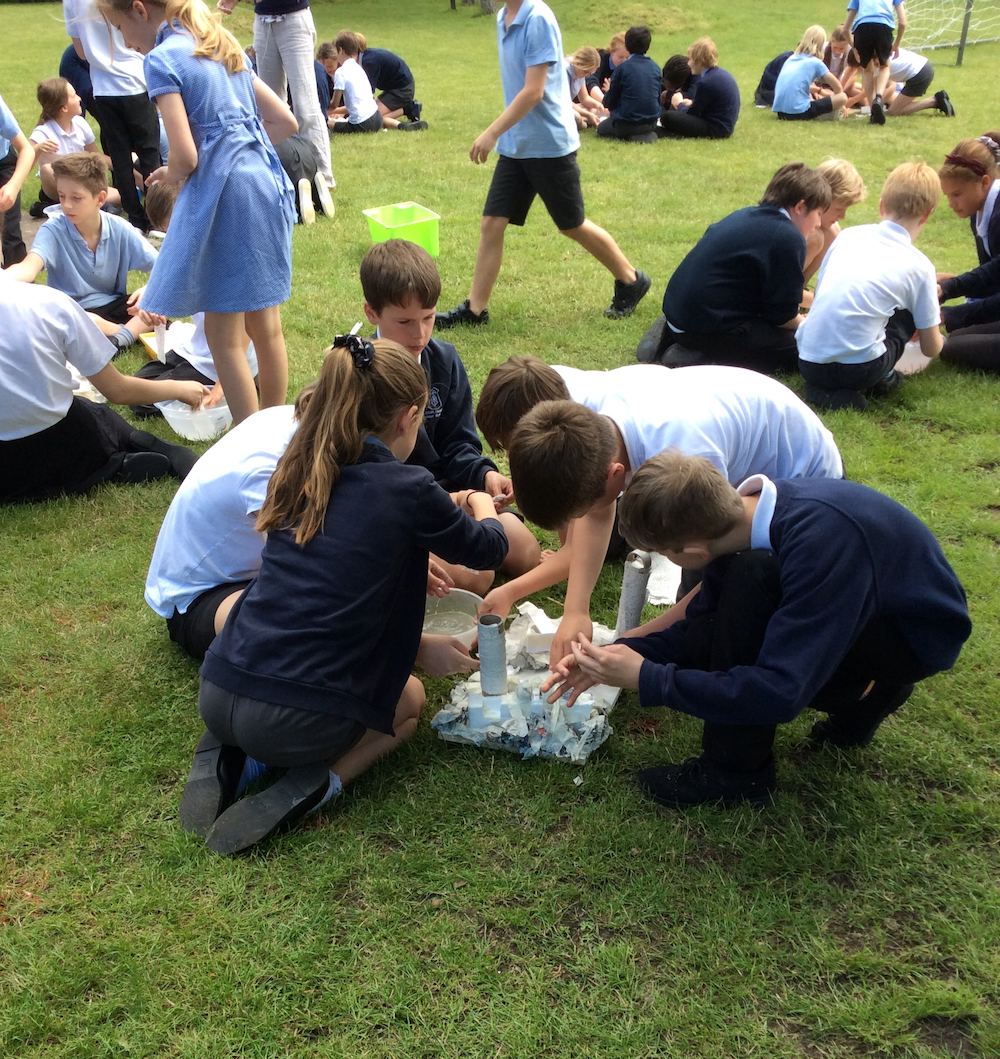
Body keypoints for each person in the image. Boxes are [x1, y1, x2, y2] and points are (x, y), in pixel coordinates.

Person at [180, 337, 509, 854]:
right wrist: (478, 498)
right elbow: (490, 548)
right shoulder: (410, 488)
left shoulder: (299, 466)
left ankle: (231, 751)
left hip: (218, 688)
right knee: (409, 702)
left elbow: (338, 562)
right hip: (295, 723)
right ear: (407, 417)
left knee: (276, 671)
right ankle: (312, 783)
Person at [541, 452, 971, 809]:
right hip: (865, 605)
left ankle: (736, 773)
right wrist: (611, 656)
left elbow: (780, 692)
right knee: (727, 614)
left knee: (751, 592)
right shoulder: (744, 518)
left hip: (911, 637)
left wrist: (648, 678)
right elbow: (699, 628)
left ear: (691, 552)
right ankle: (867, 693)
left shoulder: (820, 544)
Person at [498, 363, 844, 661]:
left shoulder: (687, 456)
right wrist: (576, 611)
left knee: (722, 619)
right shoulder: (595, 433)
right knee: (689, 623)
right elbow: (598, 511)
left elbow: (716, 571)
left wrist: (633, 642)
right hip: (738, 463)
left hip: (808, 490)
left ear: (616, 475)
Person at [100, 0, 299, 427]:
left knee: (223, 336)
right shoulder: (218, 41)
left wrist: (167, 174)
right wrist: (239, 143)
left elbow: (186, 158)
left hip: (228, 197)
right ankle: (277, 429)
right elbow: (284, 122)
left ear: (139, 10)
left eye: (118, 27)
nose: (123, 41)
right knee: (267, 326)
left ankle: (249, 443)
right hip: (265, 185)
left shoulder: (161, 59)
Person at [434, 0, 650, 328]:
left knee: (571, 224)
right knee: (492, 223)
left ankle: (631, 280)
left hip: (549, 145)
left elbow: (534, 91)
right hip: (518, 144)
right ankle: (475, 310)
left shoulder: (538, 19)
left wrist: (492, 133)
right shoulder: (503, 19)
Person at [360, 239, 541, 590]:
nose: (420, 333)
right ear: (372, 313)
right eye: (405, 321)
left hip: (453, 493)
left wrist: (485, 475)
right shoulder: (364, 373)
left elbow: (460, 442)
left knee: (526, 553)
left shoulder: (444, 361)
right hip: (399, 504)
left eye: (429, 318)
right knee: (478, 575)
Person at [0, 273, 206, 504]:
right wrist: (178, 389)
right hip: (63, 448)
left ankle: (117, 464)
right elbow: (118, 391)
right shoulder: (47, 302)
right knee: (95, 412)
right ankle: (122, 460)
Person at [639, 162, 831, 374]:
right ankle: (699, 356)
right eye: (819, 214)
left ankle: (676, 336)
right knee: (801, 348)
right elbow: (781, 316)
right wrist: (805, 324)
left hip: (681, 311)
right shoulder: (788, 237)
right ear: (800, 207)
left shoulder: (747, 214)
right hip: (706, 326)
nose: (817, 224)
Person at [796, 162, 942, 411]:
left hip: (809, 360)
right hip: (859, 369)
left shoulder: (847, 237)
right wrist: (933, 324)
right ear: (927, 214)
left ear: (882, 204)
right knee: (906, 315)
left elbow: (821, 295)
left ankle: (819, 389)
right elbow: (930, 348)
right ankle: (882, 379)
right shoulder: (920, 267)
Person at [5, 153, 159, 349]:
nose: (67, 205)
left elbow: (163, 266)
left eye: (76, 198)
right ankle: (124, 334)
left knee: (151, 307)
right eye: (61, 196)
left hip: (113, 305)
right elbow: (29, 267)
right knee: (54, 318)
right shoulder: (54, 230)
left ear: (100, 198)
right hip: (71, 310)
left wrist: (148, 290)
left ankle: (118, 337)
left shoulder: (119, 228)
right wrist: (4, 278)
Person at [217, 0, 335, 192]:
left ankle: (324, 177)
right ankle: (282, 172)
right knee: (270, 110)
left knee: (306, 107)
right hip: (263, 20)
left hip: (293, 18)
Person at [63, 0, 161, 231]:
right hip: (135, 80)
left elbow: (80, 52)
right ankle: (157, 214)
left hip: (103, 87)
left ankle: (134, 216)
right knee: (149, 154)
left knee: (119, 155)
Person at [936, 135, 1000, 372]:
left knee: (953, 348)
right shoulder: (980, 210)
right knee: (957, 338)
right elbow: (992, 275)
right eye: (948, 195)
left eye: (957, 194)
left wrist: (949, 312)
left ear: (984, 183)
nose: (951, 203)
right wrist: (946, 286)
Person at [29, 78, 121, 210]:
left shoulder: (80, 123)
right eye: (74, 96)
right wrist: (37, 149)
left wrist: (125, 163)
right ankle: (92, 205)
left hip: (83, 180)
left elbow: (95, 155)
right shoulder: (43, 133)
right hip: (57, 186)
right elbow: (23, 165)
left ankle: (52, 207)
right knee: (47, 169)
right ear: (64, 108)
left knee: (119, 197)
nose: (79, 98)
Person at [801, 158, 866, 306]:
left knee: (832, 232)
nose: (842, 216)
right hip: (768, 299)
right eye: (838, 209)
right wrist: (824, 304)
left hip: (792, 295)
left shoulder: (831, 233)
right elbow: (781, 289)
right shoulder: (800, 230)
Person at [658, 37, 739, 140]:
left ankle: (674, 134)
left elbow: (691, 114)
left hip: (716, 129)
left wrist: (679, 104)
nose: (688, 64)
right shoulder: (719, 74)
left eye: (691, 60)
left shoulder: (705, 83)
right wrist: (691, 103)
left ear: (699, 61)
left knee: (667, 117)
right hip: (725, 125)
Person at [843, 0, 907, 125]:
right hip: (883, 28)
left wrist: (854, 47)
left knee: (867, 70)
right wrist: (896, 44)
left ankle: (873, 109)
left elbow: (846, 29)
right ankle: (878, 97)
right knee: (885, 66)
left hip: (862, 29)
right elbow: (903, 22)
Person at [596, 25, 660, 144]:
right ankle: (643, 135)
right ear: (648, 46)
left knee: (601, 129)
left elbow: (609, 102)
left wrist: (609, 92)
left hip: (626, 123)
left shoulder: (622, 68)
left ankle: (630, 135)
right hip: (651, 122)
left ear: (627, 45)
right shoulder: (655, 68)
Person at [772, 26, 848, 121]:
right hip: (800, 112)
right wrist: (841, 105)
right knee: (843, 97)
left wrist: (819, 91)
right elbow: (838, 87)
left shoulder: (791, 59)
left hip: (781, 113)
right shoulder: (816, 62)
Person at [356, 34, 427, 131]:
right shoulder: (367, 56)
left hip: (402, 90)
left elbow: (368, 92)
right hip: (395, 88)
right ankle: (408, 109)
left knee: (370, 118)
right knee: (371, 114)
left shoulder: (369, 62)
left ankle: (408, 110)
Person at [0, 89, 34, 268]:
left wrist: (13, 186)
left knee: (10, 234)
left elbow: (27, 149)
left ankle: (22, 287)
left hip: (2, 163)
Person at [328, 30, 383, 134]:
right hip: (377, 117)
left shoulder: (341, 72)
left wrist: (323, 108)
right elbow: (355, 105)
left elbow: (334, 104)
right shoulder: (359, 68)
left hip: (362, 123)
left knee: (327, 122)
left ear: (340, 50)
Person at [882, 47, 953, 116]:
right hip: (922, 67)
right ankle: (936, 100)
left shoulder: (880, 62)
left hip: (920, 73)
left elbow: (892, 86)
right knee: (893, 104)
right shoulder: (883, 51)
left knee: (892, 112)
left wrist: (878, 102)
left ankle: (934, 101)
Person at [565, 46, 605, 129]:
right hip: (559, 105)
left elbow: (584, 98)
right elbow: (565, 101)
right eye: (586, 72)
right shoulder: (564, 71)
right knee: (577, 118)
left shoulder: (580, 73)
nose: (587, 76)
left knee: (593, 109)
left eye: (590, 73)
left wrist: (597, 105)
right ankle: (586, 121)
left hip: (568, 105)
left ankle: (587, 118)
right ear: (579, 64)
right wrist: (587, 114)